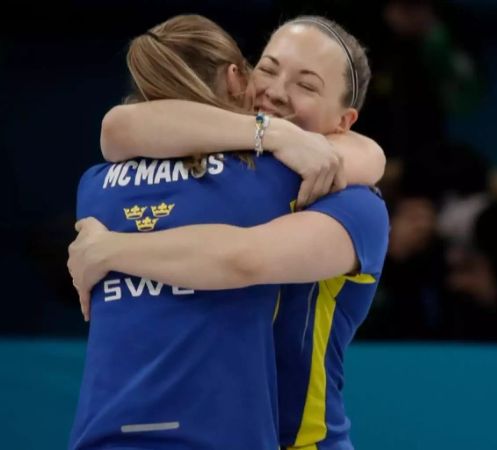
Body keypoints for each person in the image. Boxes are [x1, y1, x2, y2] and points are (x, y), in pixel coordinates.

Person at [69, 16, 390, 450]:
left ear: (344, 120)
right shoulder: (243, 167)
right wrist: (270, 132)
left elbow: (244, 258)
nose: (276, 91)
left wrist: (110, 250)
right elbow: (119, 127)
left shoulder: (355, 204)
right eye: (269, 68)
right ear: (243, 73)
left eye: (306, 86)